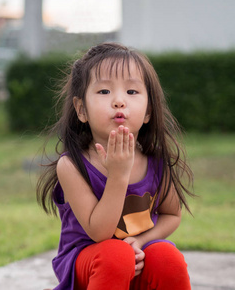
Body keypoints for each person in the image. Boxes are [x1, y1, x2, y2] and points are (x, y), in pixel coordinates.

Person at [36, 42, 194, 290]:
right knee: (115, 255)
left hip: (138, 256)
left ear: (148, 112)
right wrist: (118, 175)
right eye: (104, 92)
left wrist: (140, 241)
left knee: (166, 256)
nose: (119, 101)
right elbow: (99, 232)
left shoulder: (156, 161)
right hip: (90, 262)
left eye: (132, 92)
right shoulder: (73, 165)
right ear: (81, 109)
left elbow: (172, 215)